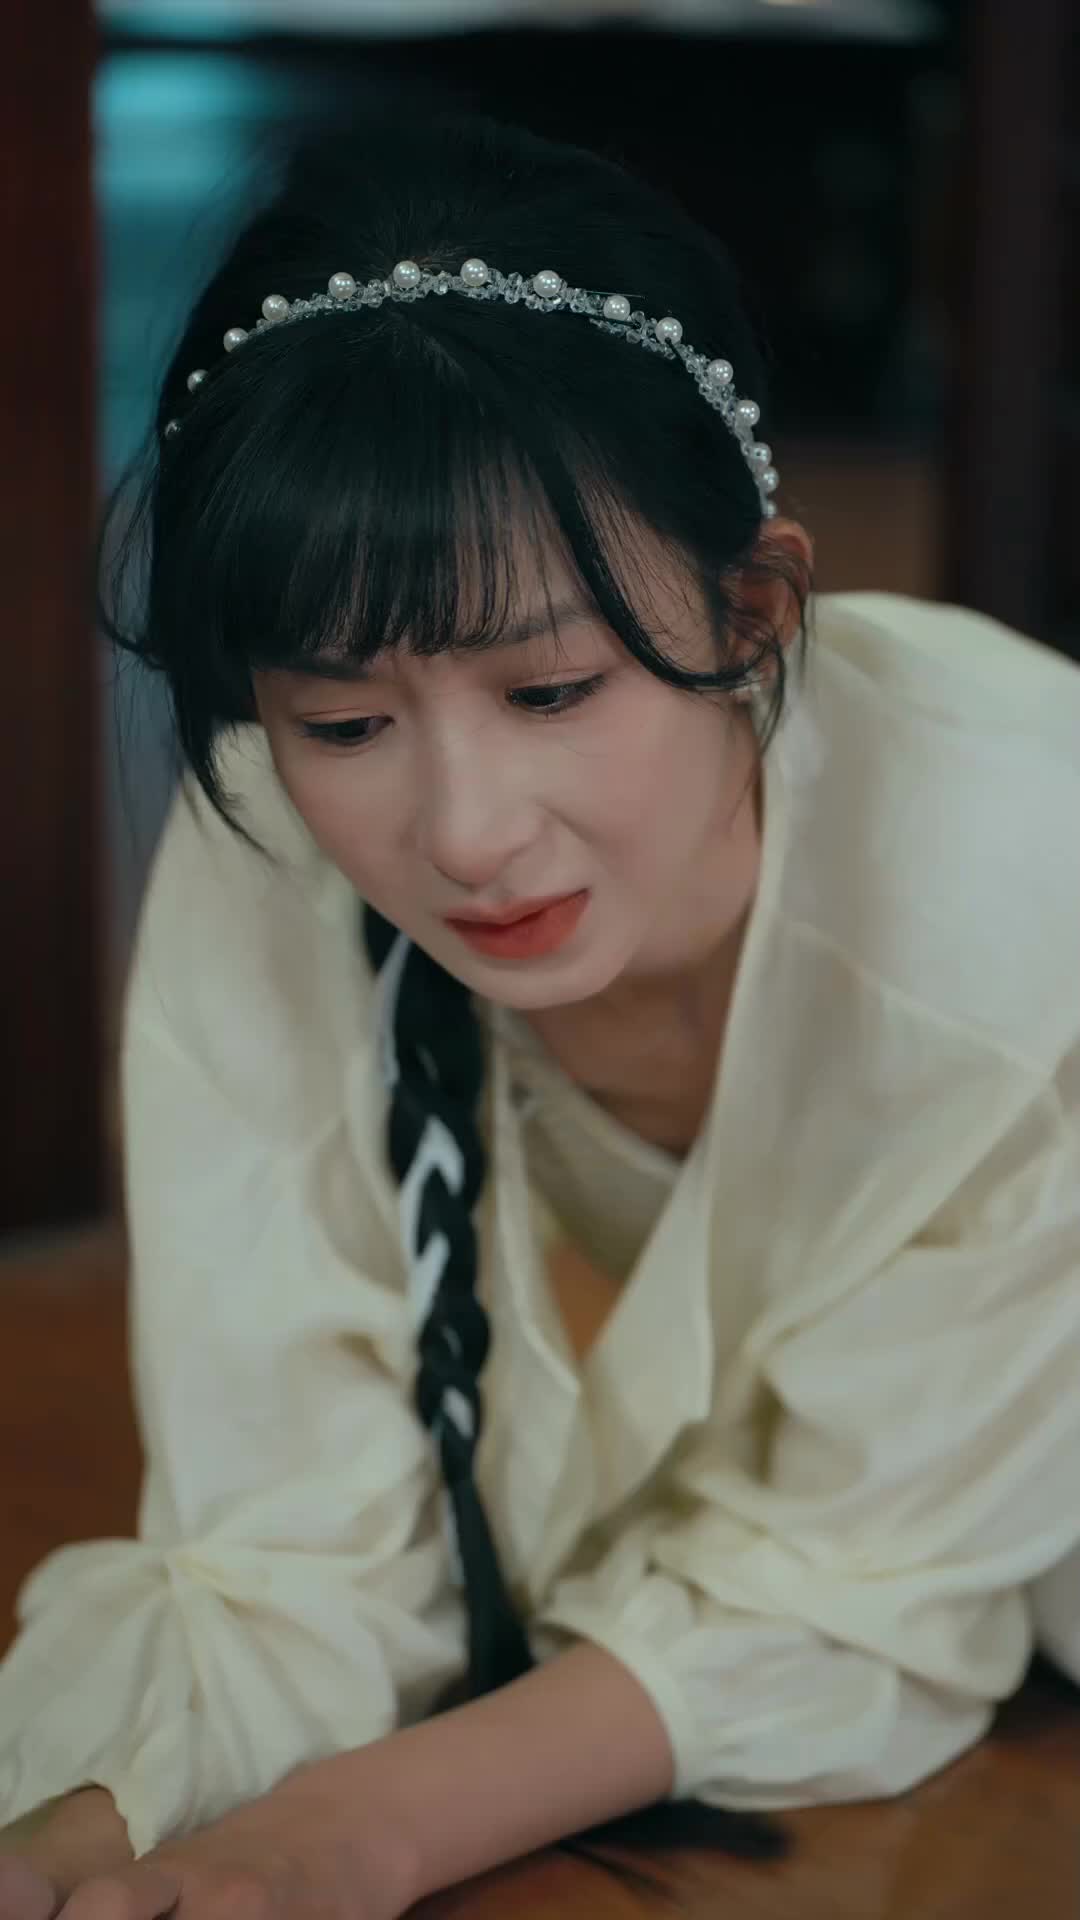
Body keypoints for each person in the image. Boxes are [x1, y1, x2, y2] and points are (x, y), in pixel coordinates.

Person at [2, 108, 1079, 1920]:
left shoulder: (1022, 878)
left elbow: (859, 1578)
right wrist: (90, 1825)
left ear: (755, 611)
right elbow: (287, 1537)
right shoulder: (275, 828)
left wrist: (339, 1839)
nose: (464, 834)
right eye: (346, 722)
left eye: (554, 688)